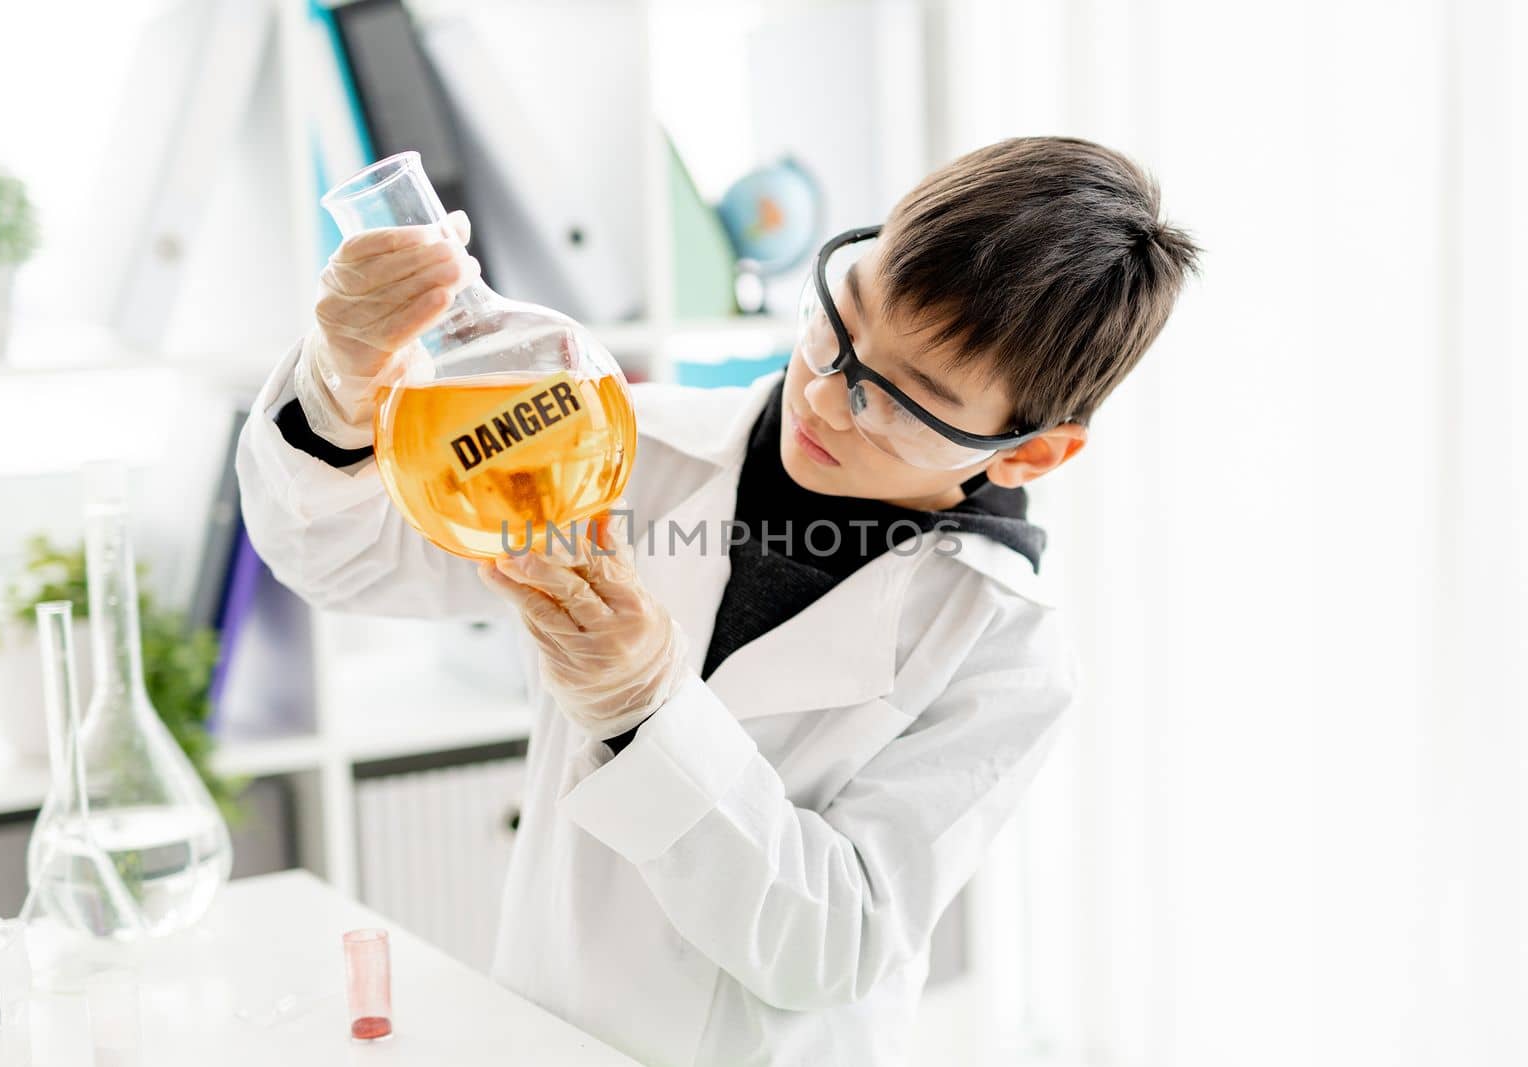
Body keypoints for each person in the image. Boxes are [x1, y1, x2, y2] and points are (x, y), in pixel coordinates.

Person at [237, 136, 1199, 1066]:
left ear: (1031, 451)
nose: (823, 394)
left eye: (899, 398)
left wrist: (643, 706)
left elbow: (829, 947)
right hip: (541, 1027)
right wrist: (339, 390)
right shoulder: (618, 443)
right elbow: (341, 561)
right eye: (841, 316)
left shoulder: (1006, 654)